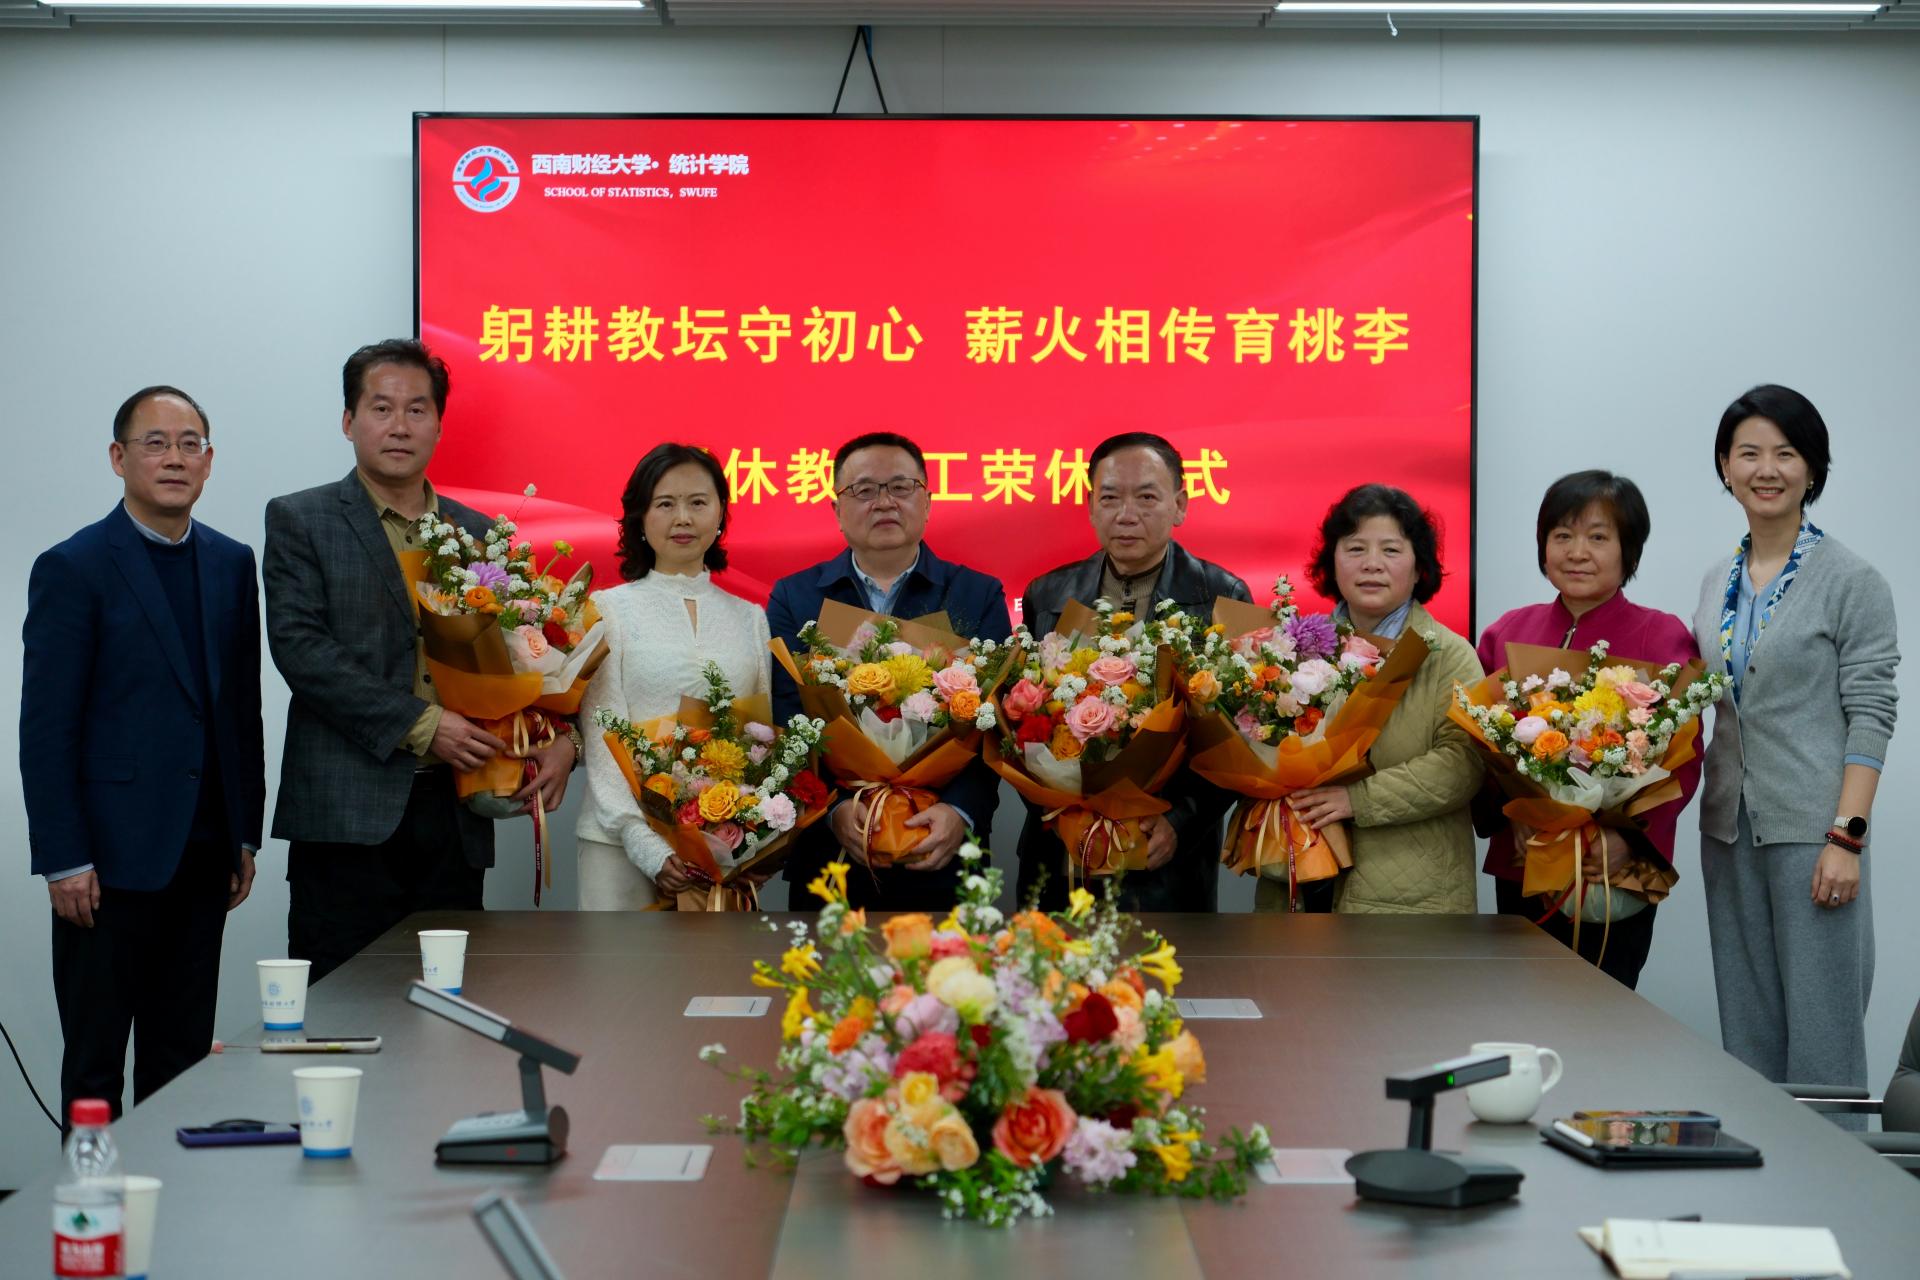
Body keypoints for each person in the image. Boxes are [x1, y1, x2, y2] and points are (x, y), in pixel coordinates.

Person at [264, 339, 577, 982]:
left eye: (417, 409)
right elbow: (302, 649)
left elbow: (516, 656)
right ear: (349, 420)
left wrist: (550, 737)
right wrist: (422, 723)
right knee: (341, 1008)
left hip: (454, 812)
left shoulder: (479, 534)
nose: (399, 426)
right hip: (346, 818)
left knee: (448, 1007)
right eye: (381, 408)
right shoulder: (302, 518)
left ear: (438, 424)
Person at [23, 385, 265, 1122]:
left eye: (190, 444)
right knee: (94, 1071)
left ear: (209, 461)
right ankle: (91, 1200)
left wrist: (244, 832)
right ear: (118, 458)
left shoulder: (231, 562)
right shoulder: (74, 566)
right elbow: (47, 728)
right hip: (105, 866)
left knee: (181, 1065)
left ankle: (173, 1198)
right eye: (155, 443)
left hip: (203, 854)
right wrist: (63, 858)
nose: (174, 458)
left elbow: (240, 709)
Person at [1691, 384, 1897, 1096]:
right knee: (1747, 1037)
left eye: (1786, 453)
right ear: (1726, 467)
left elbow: (1872, 711)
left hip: (1814, 835)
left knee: (1823, 1042)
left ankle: (1831, 1167)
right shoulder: (1717, 580)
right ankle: (1765, 1163)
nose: (1766, 469)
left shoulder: (1852, 580)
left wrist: (1847, 838)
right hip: (1727, 831)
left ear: (1813, 468)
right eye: (1748, 453)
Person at [767, 431, 1011, 911]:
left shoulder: (975, 594)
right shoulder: (796, 598)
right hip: (834, 860)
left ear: (928, 502)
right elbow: (786, 719)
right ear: (837, 510)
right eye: (863, 490)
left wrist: (960, 812)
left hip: (942, 855)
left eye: (901, 487)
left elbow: (994, 726)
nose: (884, 502)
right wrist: (833, 811)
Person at [1475, 471, 1700, 987]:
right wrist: (1513, 815)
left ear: (1628, 551)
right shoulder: (1507, 632)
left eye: (1598, 537)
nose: (1578, 552)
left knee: (1603, 1013)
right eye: (1562, 535)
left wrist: (1627, 840)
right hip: (1525, 862)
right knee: (1519, 1007)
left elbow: (1684, 758)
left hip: (1610, 871)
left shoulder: (1660, 635)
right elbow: (1480, 747)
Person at [1019, 431, 1250, 912]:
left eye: (1146, 497)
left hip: (1166, 860)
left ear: (1179, 505)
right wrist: (1060, 807)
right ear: (1090, 507)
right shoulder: (1048, 594)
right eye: (1110, 498)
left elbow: (1239, 737)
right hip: (1062, 855)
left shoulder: (1222, 595)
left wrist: (1180, 821)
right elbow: (1022, 726)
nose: (1126, 514)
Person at [576, 444, 770, 908]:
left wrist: (751, 837)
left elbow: (759, 738)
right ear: (640, 518)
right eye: (665, 504)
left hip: (717, 847)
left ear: (720, 514)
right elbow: (602, 732)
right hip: (618, 845)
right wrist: (646, 844)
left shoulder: (750, 618)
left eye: (698, 502)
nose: (683, 518)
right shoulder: (607, 609)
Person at [1281, 484, 1483, 914]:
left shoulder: (1449, 654)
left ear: (1419, 567)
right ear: (1332, 562)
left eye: (1391, 550)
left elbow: (1462, 764)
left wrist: (1358, 800)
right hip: (1298, 877)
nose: (1372, 564)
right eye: (1355, 548)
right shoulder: (1290, 650)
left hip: (1408, 896)